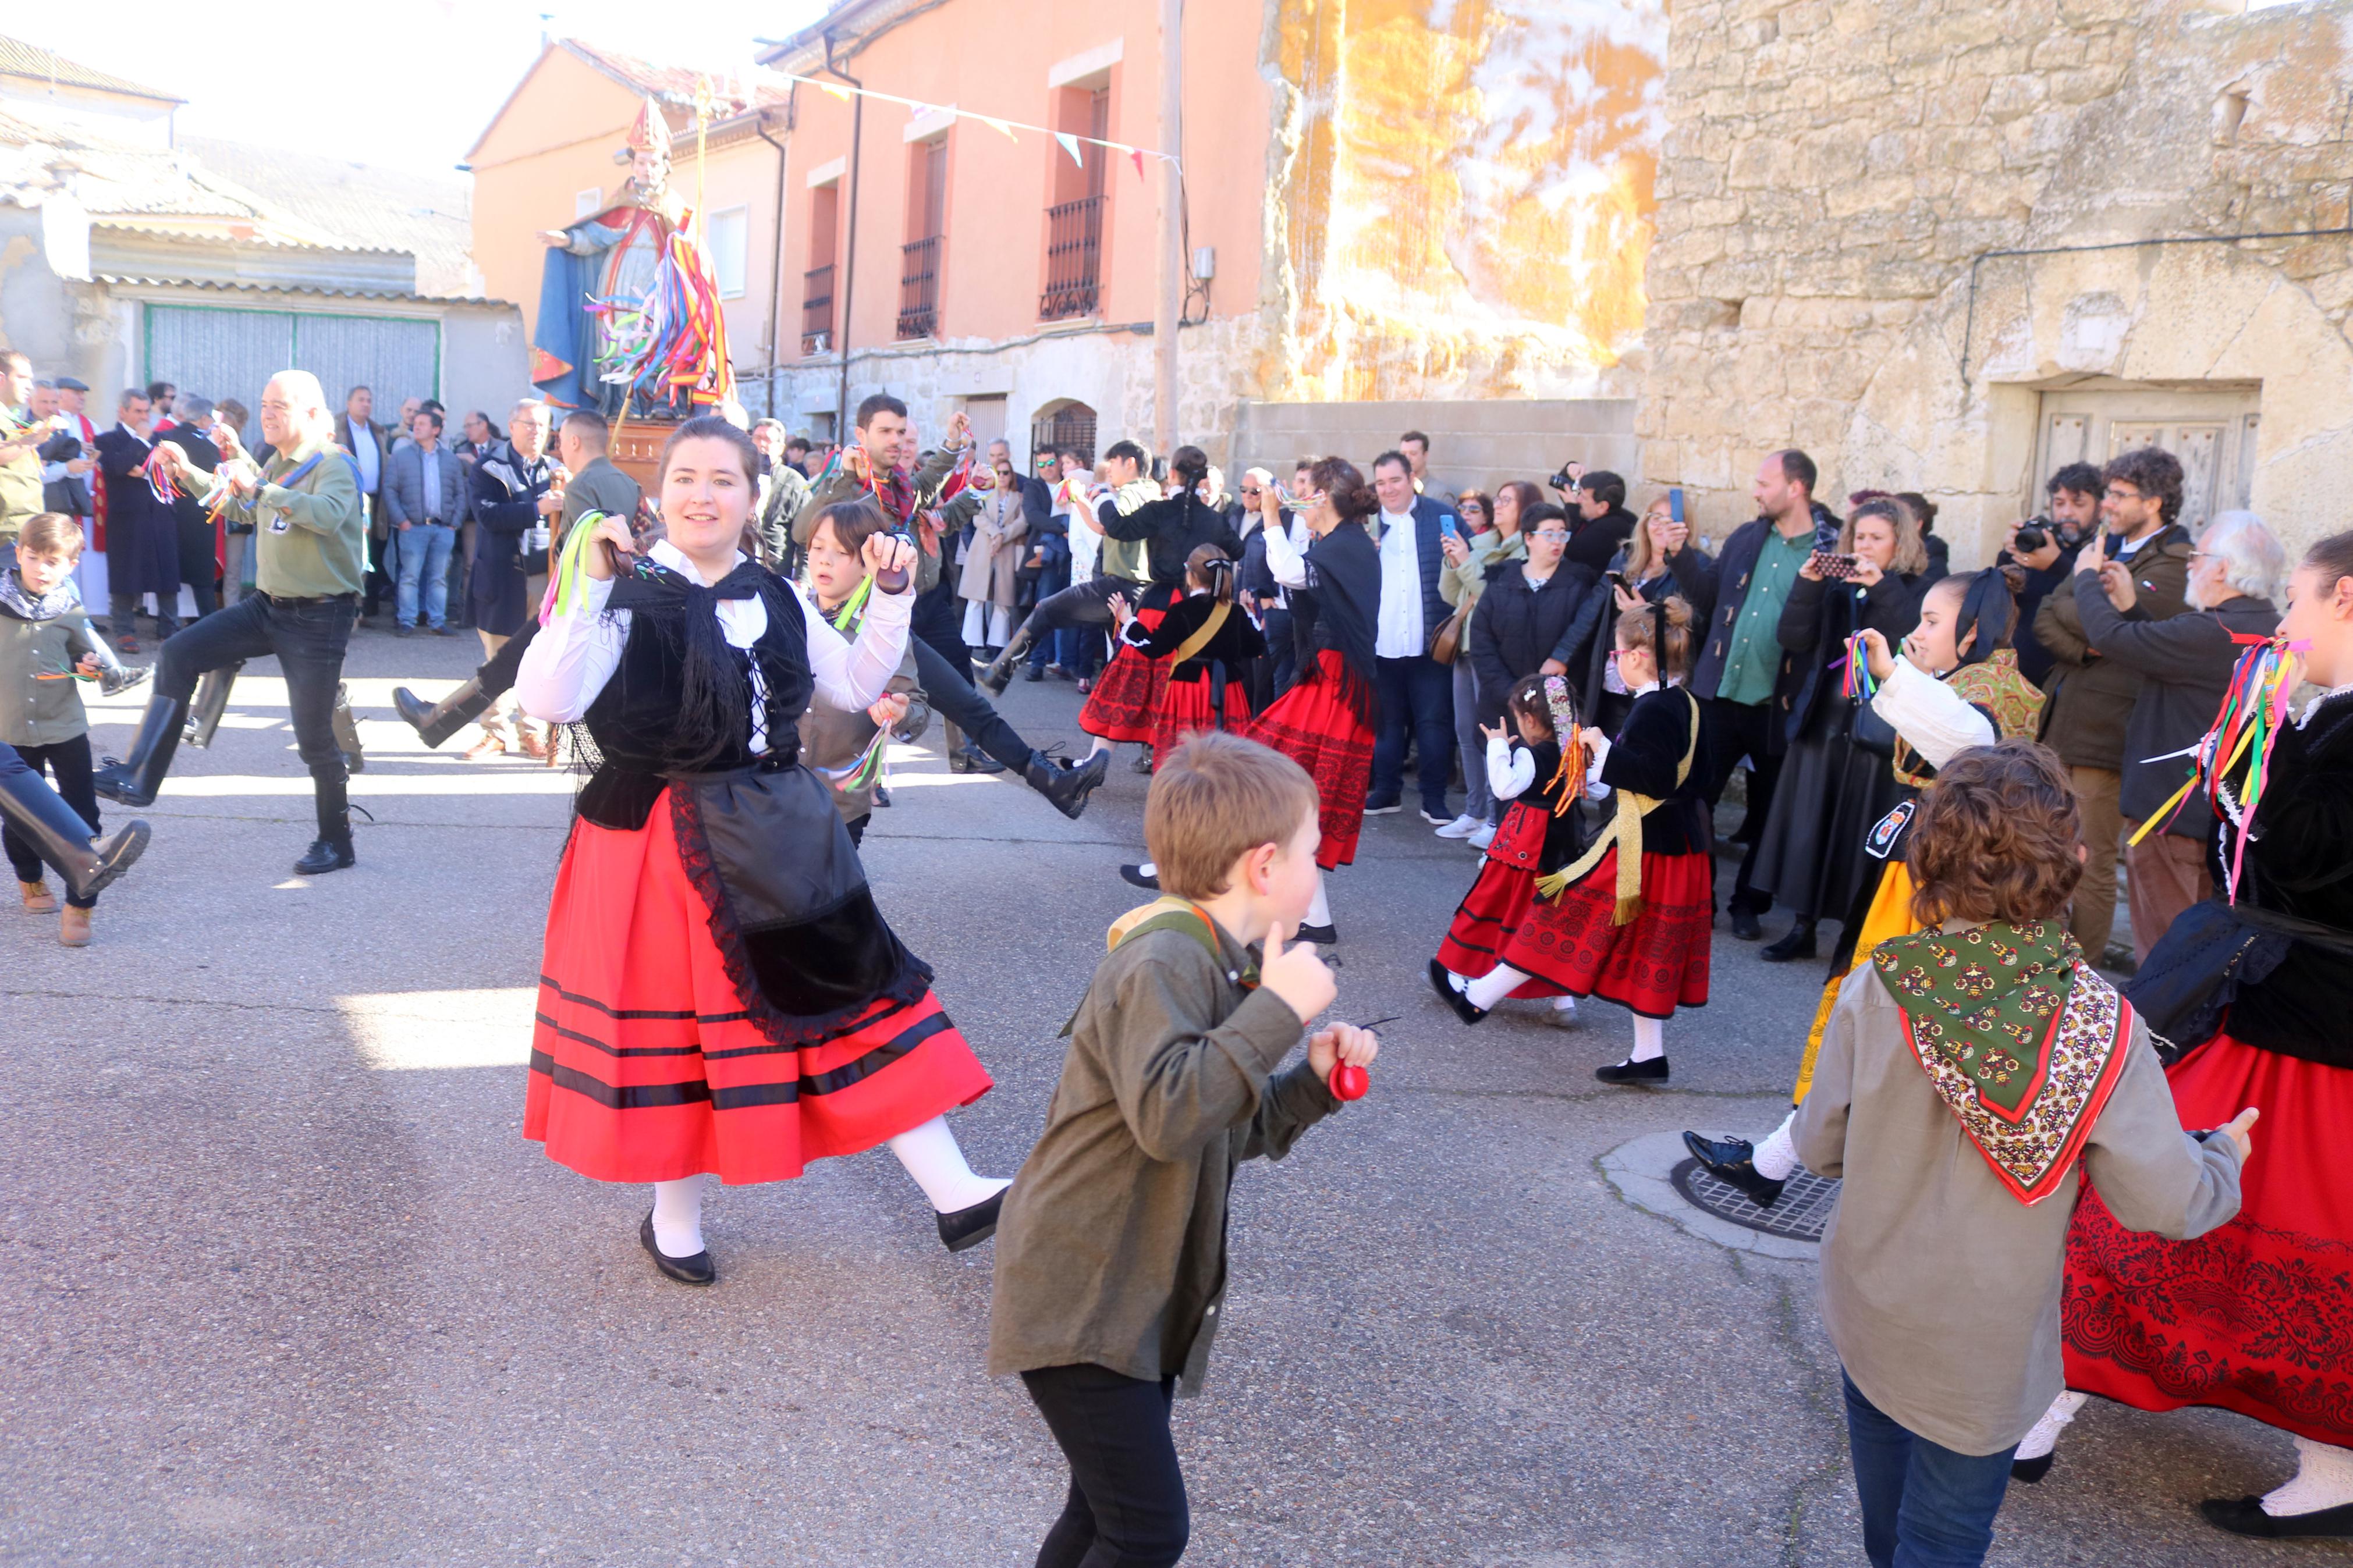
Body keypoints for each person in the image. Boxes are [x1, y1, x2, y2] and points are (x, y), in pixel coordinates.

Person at [514, 415, 1007, 1283]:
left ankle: (955, 1187)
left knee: (853, 992)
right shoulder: (622, 592)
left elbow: (852, 684)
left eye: (723, 480)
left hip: (778, 831)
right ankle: (673, 1222)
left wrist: (889, 598)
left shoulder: (773, 591)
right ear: (657, 495)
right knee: (678, 1034)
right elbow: (551, 699)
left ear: (752, 497)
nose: (701, 495)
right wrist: (586, 591)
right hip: (658, 845)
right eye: (685, 479)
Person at [1790, 739, 2248, 1568]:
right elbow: (2165, 1201)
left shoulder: (1879, 983)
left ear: (1928, 853)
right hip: (1984, 1351)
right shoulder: (2098, 1024)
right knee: (1943, 1538)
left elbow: (1817, 1145)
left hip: (1868, 1304)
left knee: (1885, 1525)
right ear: (2071, 860)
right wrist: (2220, 1155)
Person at [988, 731, 1379, 1568]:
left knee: (1104, 1516)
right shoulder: (1164, 957)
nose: (1320, 871)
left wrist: (1307, 1078)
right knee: (1145, 1530)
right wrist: (1277, 1010)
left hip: (1123, 1295)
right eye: (1314, 852)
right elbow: (1172, 1113)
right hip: (1080, 1294)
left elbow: (1215, 1124)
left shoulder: (1215, 959)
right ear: (1265, 865)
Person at [2044, 531, 2353, 1540]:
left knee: (2164, 1203)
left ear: (2343, 601)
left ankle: (2327, 1466)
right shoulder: (2326, 720)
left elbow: (2308, 863)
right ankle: (2049, 1401)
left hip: (2306, 1035)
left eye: (2297, 604)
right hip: (2279, 1014)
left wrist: (2266, 735)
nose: (2283, 625)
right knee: (2172, 1203)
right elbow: (2246, 845)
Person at [1686, 568, 2049, 1207]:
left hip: (1936, 880)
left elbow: (1972, 741)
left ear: (1973, 630)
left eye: (1932, 621)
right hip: (1931, 866)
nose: (1918, 631)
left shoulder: (1988, 693)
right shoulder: (1982, 682)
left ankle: (1801, 1166)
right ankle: (1777, 1160)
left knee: (1876, 1014)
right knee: (1876, 1016)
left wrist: (1890, 673)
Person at [97, 371, 367, 876]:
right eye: (265, 403)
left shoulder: (335, 463)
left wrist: (261, 485)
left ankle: (337, 840)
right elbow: (240, 502)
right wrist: (187, 472)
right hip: (268, 606)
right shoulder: (278, 460)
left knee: (313, 740)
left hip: (319, 616)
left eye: (279, 406)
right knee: (179, 653)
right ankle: (139, 775)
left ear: (311, 414)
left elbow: (326, 515)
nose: (267, 413)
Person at [1435, 599, 1713, 1086]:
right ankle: (1648, 1053)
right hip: (1675, 845)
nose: (1614, 661)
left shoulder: (1653, 707)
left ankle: (1478, 995)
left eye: (1617, 653)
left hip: (1641, 847)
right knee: (1647, 948)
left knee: (1558, 916)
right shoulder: (1685, 703)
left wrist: (1603, 750)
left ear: (1639, 657)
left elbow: (1657, 778)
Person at [2068, 509, 2281, 963]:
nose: (2189, 564)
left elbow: (2113, 639)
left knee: (2165, 956)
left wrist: (2084, 577)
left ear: (2222, 568)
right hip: (2215, 815)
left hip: (2173, 818)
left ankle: (2157, 1035)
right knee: (2198, 951)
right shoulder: (2262, 622)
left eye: (2196, 556)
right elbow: (2167, 653)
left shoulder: (2212, 630)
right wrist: (2129, 604)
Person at [1749, 496, 1932, 961]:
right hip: (1824, 720)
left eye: (1876, 538)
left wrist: (1882, 587)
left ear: (1899, 543)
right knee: (1812, 822)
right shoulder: (1835, 584)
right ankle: (1802, 926)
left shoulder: (1916, 587)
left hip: (1877, 729)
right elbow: (1793, 638)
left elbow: (1913, 639)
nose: (1865, 547)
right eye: (1859, 537)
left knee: (1861, 829)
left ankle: (1859, 936)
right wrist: (1808, 586)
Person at [2035, 447, 2194, 963]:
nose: (2106, 505)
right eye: (2108, 493)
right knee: (2051, 851)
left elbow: (2119, 629)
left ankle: (2078, 977)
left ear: (2153, 502)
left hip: (2108, 731)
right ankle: (2045, 959)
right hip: (2062, 717)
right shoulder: (2104, 544)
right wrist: (2088, 640)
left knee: (2091, 861)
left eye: (2120, 495)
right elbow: (2046, 614)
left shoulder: (2175, 563)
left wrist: (2088, 612)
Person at [1687, 449, 1840, 940]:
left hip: (1781, 707)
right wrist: (1678, 555)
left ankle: (1747, 904)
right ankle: (1699, 898)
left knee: (1773, 811)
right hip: (1719, 695)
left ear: (1796, 487)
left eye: (1763, 482)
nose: (1755, 491)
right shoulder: (1749, 535)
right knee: (1695, 801)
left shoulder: (1830, 546)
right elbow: (1709, 600)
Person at [1245, 457, 1384, 945]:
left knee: (1279, 784)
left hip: (1338, 686)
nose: (1295, 498)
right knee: (1288, 796)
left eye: (1304, 490)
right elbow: (1294, 577)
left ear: (1322, 497)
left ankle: (1222, 887)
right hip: (1329, 680)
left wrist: (1269, 515)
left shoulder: (1348, 545)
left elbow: (1286, 570)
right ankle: (1316, 918)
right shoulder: (1340, 543)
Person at [1, 514, 146, 944]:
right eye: (33, 558)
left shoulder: (71, 610)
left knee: (84, 812)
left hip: (65, 728)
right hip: (9, 732)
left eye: (52, 561)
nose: (41, 568)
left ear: (70, 566)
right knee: (21, 817)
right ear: (18, 554)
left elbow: (87, 666)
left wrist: (88, 668)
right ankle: (30, 879)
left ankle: (80, 907)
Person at [396, 400, 556, 757]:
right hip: (502, 577)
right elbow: (488, 517)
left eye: (543, 426)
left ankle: (530, 731)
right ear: (512, 425)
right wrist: (536, 510)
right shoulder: (490, 467)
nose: (536, 432)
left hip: (543, 578)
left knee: (537, 660)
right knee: (498, 657)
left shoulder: (555, 470)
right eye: (529, 424)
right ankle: (494, 732)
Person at [1430, 673, 1586, 1025]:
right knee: (1546, 916)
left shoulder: (1534, 756)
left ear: (1529, 721)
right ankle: (1564, 1003)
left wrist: (1499, 746)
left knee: (1496, 902)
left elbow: (1504, 788)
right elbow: (1599, 789)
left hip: (1525, 845)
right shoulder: (1575, 750)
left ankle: (1460, 971)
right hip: (1564, 845)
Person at [977, 439, 1163, 694]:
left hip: (1120, 585)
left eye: (1114, 464)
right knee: (1121, 657)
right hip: (1132, 587)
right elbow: (1102, 527)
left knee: (1046, 610)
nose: (1109, 470)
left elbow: (1113, 523)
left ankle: (998, 674)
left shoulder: (1132, 491)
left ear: (1130, 463)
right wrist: (1079, 500)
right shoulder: (1151, 490)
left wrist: (1104, 497)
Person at [798, 497, 924, 847]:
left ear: (870, 563)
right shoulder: (790, 613)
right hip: (776, 792)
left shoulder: (885, 631)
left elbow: (917, 709)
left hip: (840, 803)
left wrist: (900, 714)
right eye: (817, 547)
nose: (824, 559)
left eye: (841, 552)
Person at [1357, 450, 1462, 826]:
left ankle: (1433, 798)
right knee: (1386, 725)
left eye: (1395, 480)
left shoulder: (1441, 517)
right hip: (1381, 643)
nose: (1388, 489)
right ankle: (1386, 790)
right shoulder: (1365, 524)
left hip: (1429, 641)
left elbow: (1465, 567)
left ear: (1411, 477)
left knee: (1433, 723)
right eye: (1381, 482)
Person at [1112, 543, 1263, 773]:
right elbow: (1255, 648)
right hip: (1228, 689)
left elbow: (1154, 648)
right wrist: (1249, 612)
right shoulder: (1236, 611)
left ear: (1190, 575)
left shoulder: (1182, 610)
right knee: (1225, 749)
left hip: (1190, 689)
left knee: (1186, 751)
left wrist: (1129, 622)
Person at [1432, 485, 1527, 846]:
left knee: (1492, 733)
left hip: (1495, 652)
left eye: (1506, 500)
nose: (1498, 506)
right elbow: (1451, 594)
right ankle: (1473, 811)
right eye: (1498, 499)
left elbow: (1492, 595)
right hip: (1466, 646)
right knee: (1465, 729)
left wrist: (1467, 561)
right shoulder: (1482, 543)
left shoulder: (1521, 550)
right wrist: (1453, 561)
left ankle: (1493, 815)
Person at [1587, 495, 1717, 735]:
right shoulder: (1627, 557)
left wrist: (1642, 613)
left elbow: (1697, 623)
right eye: (1655, 518)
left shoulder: (1698, 565)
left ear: (1683, 526)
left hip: (1655, 677)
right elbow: (1592, 609)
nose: (1660, 527)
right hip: (1614, 674)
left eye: (1670, 520)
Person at [1999, 462, 2103, 685]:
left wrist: (2056, 564)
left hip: (2068, 678)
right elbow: (2001, 598)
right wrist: (2009, 555)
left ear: (2100, 509)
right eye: (2059, 503)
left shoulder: (2107, 550)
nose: (2067, 513)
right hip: (2016, 675)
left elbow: (2097, 603)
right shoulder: (2038, 542)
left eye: (2078, 504)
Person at [94, 389, 176, 653]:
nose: (144, 417)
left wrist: (143, 468)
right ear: (123, 411)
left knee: (166, 572)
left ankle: (169, 628)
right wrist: (140, 442)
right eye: (138, 411)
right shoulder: (107, 440)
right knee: (126, 574)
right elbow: (118, 467)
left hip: (160, 515)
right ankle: (125, 631)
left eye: (146, 412)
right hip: (127, 519)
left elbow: (170, 470)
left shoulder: (162, 438)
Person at [382, 407, 469, 638]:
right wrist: (401, 521)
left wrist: (454, 524)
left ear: (436, 429)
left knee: (438, 577)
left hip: (443, 529)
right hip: (413, 528)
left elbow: (461, 493)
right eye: (416, 423)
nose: (416, 426)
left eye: (422, 424)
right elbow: (389, 490)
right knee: (410, 576)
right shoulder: (402, 457)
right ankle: (407, 621)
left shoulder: (450, 459)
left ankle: (437, 621)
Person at [957, 441, 1030, 659]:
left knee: (1002, 602)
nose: (1003, 476)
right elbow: (977, 516)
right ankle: (969, 643)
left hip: (1006, 552)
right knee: (975, 599)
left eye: (1006, 472)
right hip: (983, 549)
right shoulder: (985, 492)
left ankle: (997, 646)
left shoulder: (1020, 497)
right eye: (999, 472)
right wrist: (995, 533)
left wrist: (1003, 536)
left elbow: (1023, 523)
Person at [155, 396, 223, 627]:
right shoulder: (206, 445)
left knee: (169, 572)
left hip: (167, 513)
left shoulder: (167, 438)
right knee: (202, 580)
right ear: (204, 419)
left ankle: (166, 626)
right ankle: (210, 626)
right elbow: (217, 481)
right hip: (199, 517)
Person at [335, 387, 391, 622]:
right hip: (346, 502)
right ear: (349, 403)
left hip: (375, 505)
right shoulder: (336, 429)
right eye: (361, 400)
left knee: (372, 557)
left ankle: (366, 608)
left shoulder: (378, 432)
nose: (366, 404)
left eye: (369, 400)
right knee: (347, 555)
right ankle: (346, 609)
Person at [0, 352, 48, 545]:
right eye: (22, 378)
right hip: (8, 530)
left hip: (22, 526)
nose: (30, 386)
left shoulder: (10, 417)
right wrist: (35, 438)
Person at [1564, 468, 1638, 575]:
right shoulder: (1600, 513)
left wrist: (1571, 510)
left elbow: (1570, 551)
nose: (1578, 500)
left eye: (1583, 497)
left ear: (1602, 507)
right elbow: (1564, 489)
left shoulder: (1613, 527)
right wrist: (1571, 468)